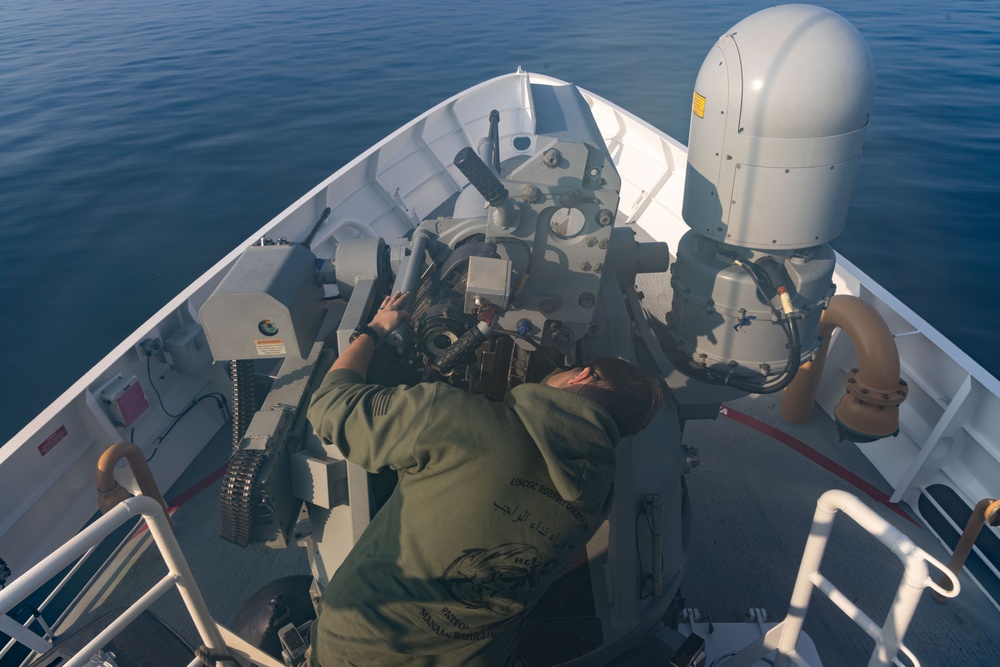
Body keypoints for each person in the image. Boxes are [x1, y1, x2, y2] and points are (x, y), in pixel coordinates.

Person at [306, 291, 663, 666]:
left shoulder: (460, 420)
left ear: (582, 375)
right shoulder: (597, 497)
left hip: (357, 652)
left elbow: (330, 405)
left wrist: (375, 329)